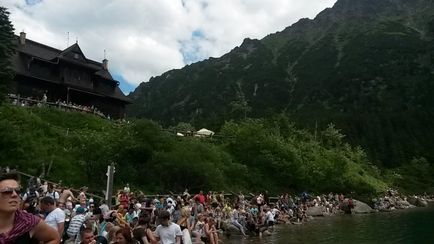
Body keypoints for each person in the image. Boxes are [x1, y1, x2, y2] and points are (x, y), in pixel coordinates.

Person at [0, 171, 59, 243]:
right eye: (7, 191)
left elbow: (55, 238)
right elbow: (22, 202)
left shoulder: (29, 223)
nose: (14, 194)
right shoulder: (27, 194)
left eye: (18, 191)